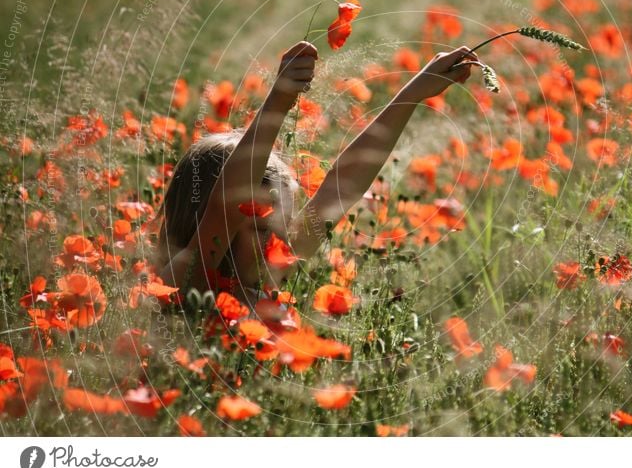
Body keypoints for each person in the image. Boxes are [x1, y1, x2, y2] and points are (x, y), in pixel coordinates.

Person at [154, 40, 477, 305]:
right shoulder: (188, 279)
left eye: (285, 219)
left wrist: (412, 94)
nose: (282, 238)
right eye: (262, 226)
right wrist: (278, 102)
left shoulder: (268, 272)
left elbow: (339, 189)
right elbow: (226, 207)